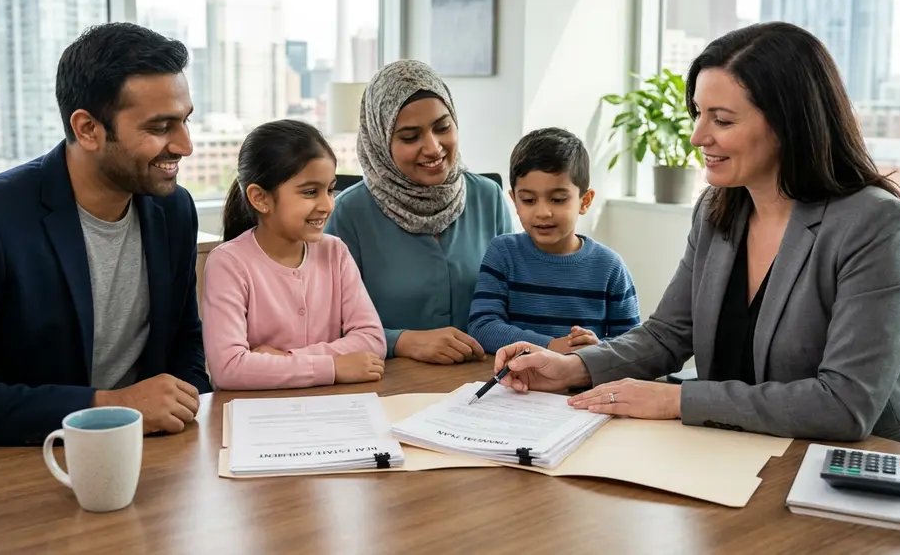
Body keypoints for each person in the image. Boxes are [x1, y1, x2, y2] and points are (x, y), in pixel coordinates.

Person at [492, 22, 900, 447]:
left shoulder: (874, 223)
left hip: (859, 463)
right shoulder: (717, 209)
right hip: (733, 451)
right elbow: (666, 334)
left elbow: (843, 403)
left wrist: (677, 400)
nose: (697, 136)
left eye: (721, 120)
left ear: (788, 124)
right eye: (699, 114)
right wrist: (571, 367)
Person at [0, 23, 212, 447]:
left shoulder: (173, 209)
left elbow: (184, 341)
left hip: (146, 453)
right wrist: (107, 407)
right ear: (87, 129)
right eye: (160, 127)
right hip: (26, 461)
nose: (185, 145)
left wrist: (186, 413)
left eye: (185, 120)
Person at [326, 59, 514, 364]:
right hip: (389, 382)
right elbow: (328, 326)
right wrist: (402, 341)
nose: (433, 147)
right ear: (381, 141)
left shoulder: (487, 197)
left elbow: (515, 301)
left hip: (486, 378)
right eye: (410, 137)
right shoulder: (348, 214)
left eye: (443, 127)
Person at [201, 120, 386, 390]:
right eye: (310, 192)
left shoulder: (335, 252)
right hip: (256, 411)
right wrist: (333, 367)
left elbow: (372, 340)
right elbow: (229, 369)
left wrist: (286, 359)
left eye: (330, 189)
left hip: (331, 405)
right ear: (260, 198)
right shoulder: (228, 263)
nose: (327, 204)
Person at [469, 128, 640, 354]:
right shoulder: (503, 253)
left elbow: (632, 346)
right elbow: (482, 328)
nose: (543, 212)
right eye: (528, 200)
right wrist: (550, 346)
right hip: (515, 376)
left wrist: (597, 350)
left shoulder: (610, 267)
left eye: (558, 199)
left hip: (581, 376)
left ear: (585, 201)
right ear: (514, 200)